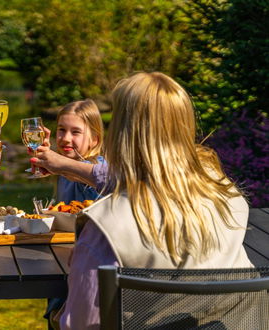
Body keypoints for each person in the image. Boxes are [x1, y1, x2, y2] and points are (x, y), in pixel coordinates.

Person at [33, 72, 253, 329]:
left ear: (122, 132)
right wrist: (65, 166)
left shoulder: (108, 228)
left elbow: (82, 324)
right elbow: (140, 178)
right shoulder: (229, 197)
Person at [41, 99, 106, 324]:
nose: (65, 138)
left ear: (94, 139)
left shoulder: (93, 168)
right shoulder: (64, 168)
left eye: (75, 132)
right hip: (65, 254)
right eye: (61, 130)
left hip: (89, 265)